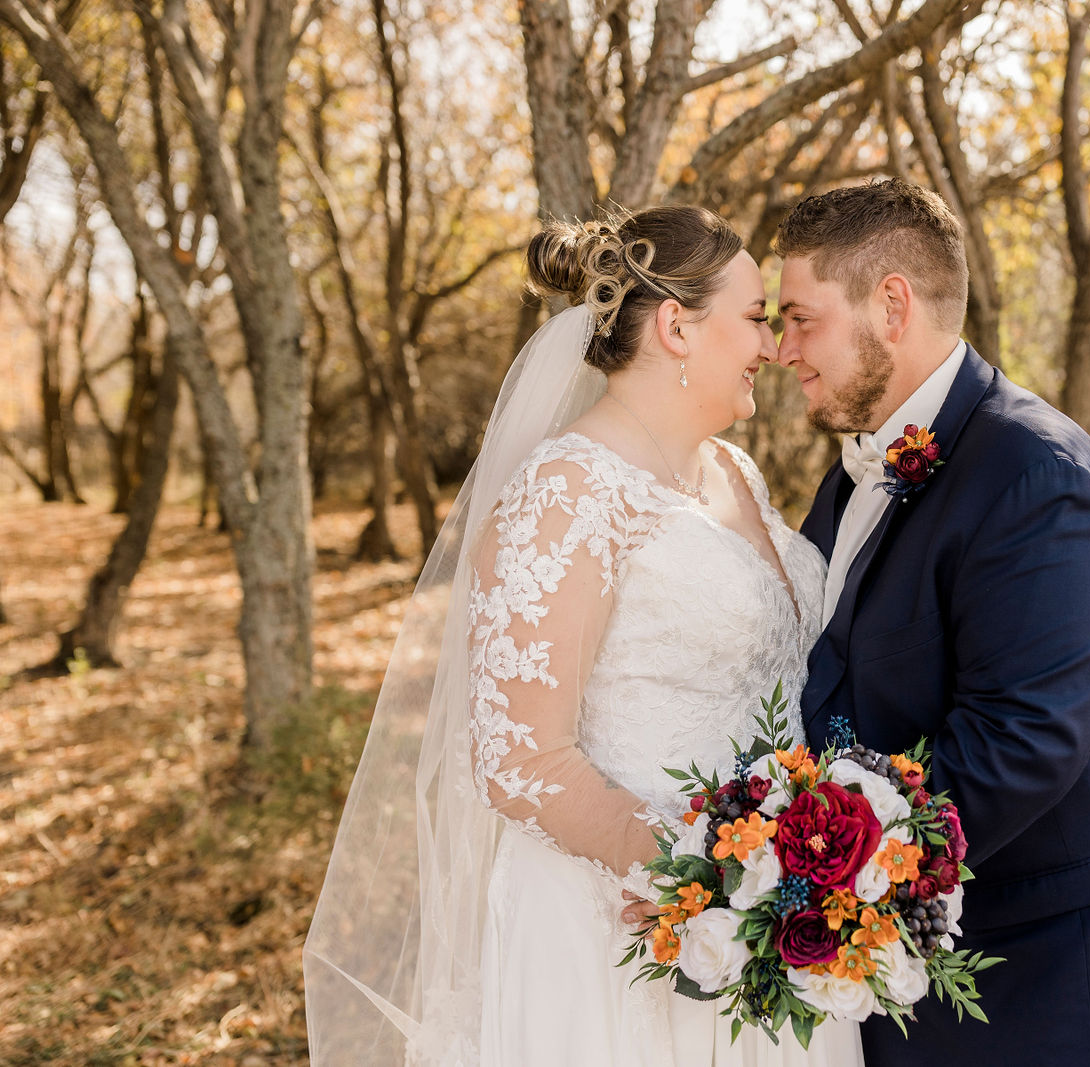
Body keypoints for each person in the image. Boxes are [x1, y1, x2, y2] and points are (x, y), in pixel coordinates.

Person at [304, 205, 863, 1066]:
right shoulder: (565, 493)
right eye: (755, 318)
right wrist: (710, 881)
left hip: (768, 928)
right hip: (625, 932)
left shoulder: (732, 471)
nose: (774, 346)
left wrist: (783, 880)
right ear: (677, 326)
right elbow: (522, 757)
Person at [771, 178, 1090, 1066]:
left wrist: (816, 868)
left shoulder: (1036, 473)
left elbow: (1022, 740)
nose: (781, 346)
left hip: (1059, 952)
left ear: (892, 304)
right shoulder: (857, 467)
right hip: (935, 942)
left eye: (802, 318)